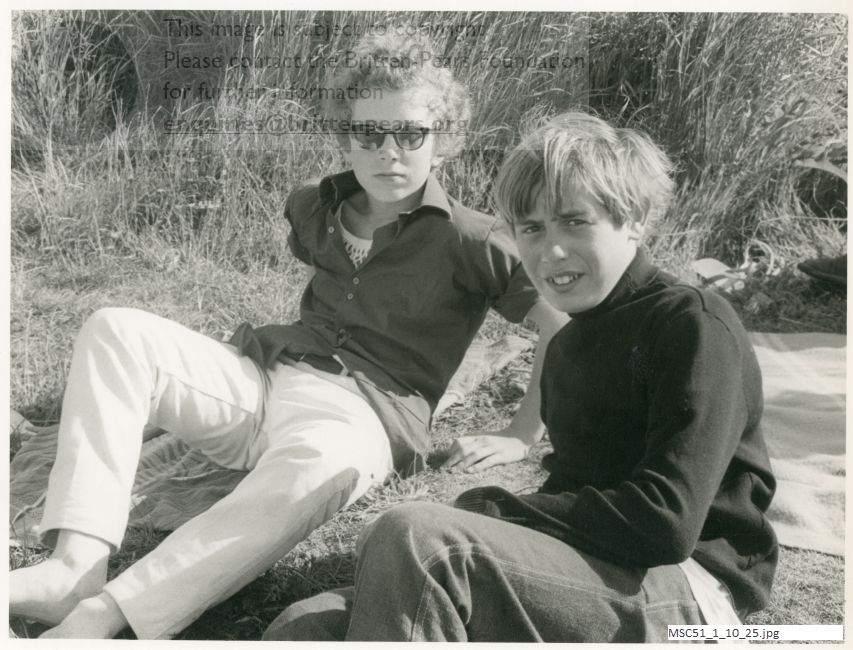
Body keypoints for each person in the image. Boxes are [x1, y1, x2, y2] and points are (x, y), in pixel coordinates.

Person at [9, 31, 566, 640]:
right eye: (369, 133)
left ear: (445, 139)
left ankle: (108, 614)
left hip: (363, 420)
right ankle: (74, 569)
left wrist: (520, 434)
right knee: (115, 328)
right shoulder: (314, 207)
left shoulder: (473, 240)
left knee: (313, 469)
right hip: (266, 377)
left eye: (411, 133)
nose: (389, 152)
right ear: (345, 136)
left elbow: (558, 324)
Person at [265, 112, 779, 642]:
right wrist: (501, 522)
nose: (550, 251)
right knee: (304, 627)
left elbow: (666, 523)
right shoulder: (573, 339)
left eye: (575, 222)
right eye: (531, 229)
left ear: (635, 219)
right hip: (590, 572)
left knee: (418, 538)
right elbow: (577, 490)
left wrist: (497, 508)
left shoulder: (690, 324)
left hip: (691, 594)